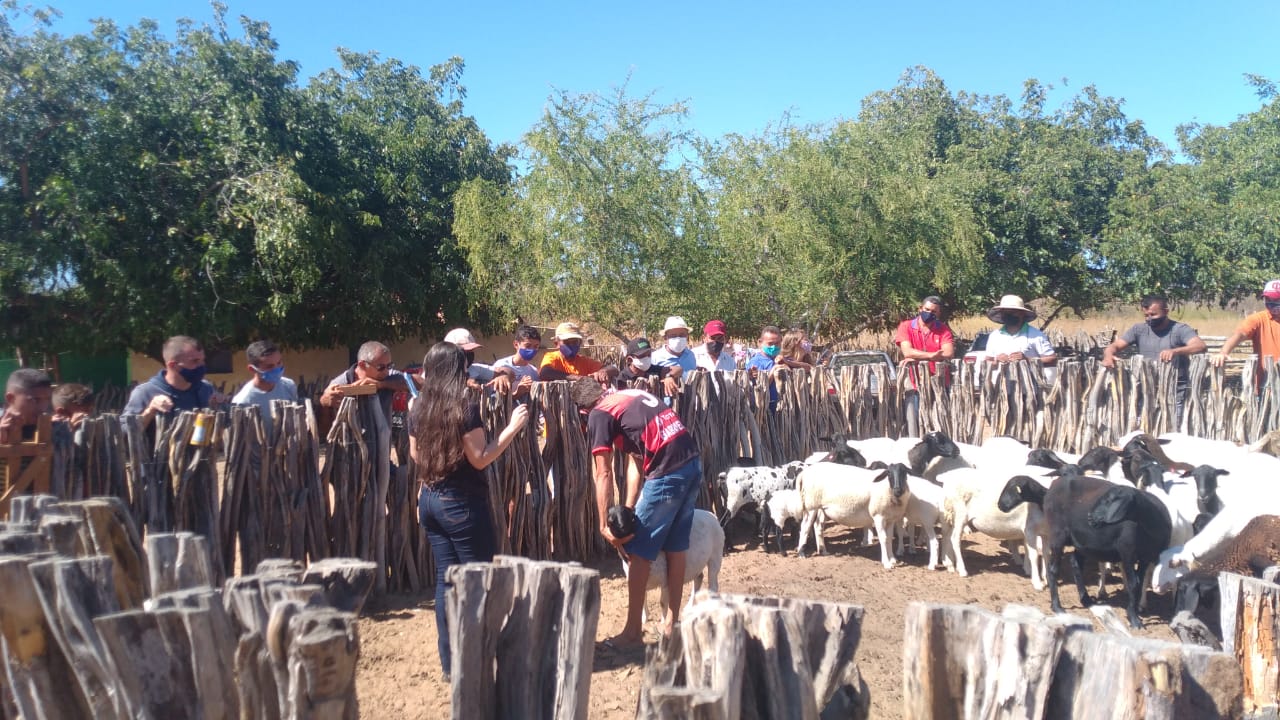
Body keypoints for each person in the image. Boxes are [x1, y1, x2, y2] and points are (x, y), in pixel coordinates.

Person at [410, 342, 530, 678]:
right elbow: (480, 458)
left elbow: (416, 456)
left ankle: (452, 663)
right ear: (456, 370)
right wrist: (512, 429)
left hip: (431, 499)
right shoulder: (462, 407)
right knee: (479, 582)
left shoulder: (418, 406)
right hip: (461, 503)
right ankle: (478, 659)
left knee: (446, 582)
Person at [572, 377, 701, 648]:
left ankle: (632, 632)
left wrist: (603, 521)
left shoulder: (599, 414)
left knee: (637, 551)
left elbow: (603, 472)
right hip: (691, 463)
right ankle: (671, 624)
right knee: (676, 546)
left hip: (666, 472)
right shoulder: (627, 398)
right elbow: (636, 459)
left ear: (583, 410)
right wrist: (630, 506)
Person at [1102, 295, 1207, 423]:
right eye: (1146, 315)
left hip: (1174, 390)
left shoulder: (1180, 329)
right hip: (1146, 390)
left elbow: (1200, 346)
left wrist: (1175, 351)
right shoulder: (1138, 329)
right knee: (1143, 426)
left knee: (1173, 427)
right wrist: (1108, 356)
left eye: (1153, 314)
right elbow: (1115, 346)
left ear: (1166, 312)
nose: (1149, 318)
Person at [122, 336, 227, 427]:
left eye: (202, 360)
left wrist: (219, 407)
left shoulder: (206, 388)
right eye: (195, 361)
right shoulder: (145, 392)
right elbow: (124, 432)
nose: (201, 365)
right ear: (173, 365)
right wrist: (150, 410)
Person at [893, 296, 955, 437]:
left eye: (934, 311)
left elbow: (949, 352)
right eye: (927, 309)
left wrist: (916, 357)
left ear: (938, 313)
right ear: (920, 309)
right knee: (914, 421)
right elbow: (906, 351)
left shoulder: (943, 329)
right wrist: (932, 356)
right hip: (915, 384)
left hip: (939, 383)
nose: (929, 313)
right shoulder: (906, 326)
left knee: (940, 420)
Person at [320, 340, 419, 423]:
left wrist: (382, 385)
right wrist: (324, 404)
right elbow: (323, 430)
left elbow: (422, 383)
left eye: (389, 366)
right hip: (351, 445)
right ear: (362, 365)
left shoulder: (388, 376)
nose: (386, 371)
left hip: (382, 446)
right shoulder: (341, 383)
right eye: (380, 367)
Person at [231, 339, 299, 434]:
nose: (277, 369)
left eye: (279, 363)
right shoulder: (243, 401)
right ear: (252, 369)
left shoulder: (288, 386)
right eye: (269, 366)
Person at [1212, 279, 1280, 373]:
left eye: (1276, 299)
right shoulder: (1258, 319)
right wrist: (1223, 353)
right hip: (1266, 380)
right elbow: (1239, 334)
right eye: (1268, 299)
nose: (1271, 303)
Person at [982, 295, 1057, 368]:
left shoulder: (1036, 335)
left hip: (1029, 379)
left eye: (1013, 312)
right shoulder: (995, 336)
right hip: (1002, 380)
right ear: (1001, 314)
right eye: (1005, 312)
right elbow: (987, 361)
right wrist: (996, 361)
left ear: (1022, 313)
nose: (1009, 315)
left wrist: (1027, 360)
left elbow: (1052, 359)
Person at [539, 322, 612, 384]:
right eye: (567, 342)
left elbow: (613, 368)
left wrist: (604, 371)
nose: (571, 345)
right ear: (556, 343)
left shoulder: (584, 361)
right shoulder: (552, 357)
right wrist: (578, 378)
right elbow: (545, 372)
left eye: (575, 342)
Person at [1, 368, 53, 444]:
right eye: (35, 400)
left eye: (47, 399)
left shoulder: (55, 429)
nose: (43, 407)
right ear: (11, 398)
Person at [615, 337, 681, 396]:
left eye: (649, 354)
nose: (647, 358)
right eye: (642, 355)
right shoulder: (623, 377)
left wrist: (669, 376)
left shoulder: (652, 369)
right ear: (630, 360)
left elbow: (679, 369)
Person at [491, 324, 542, 399]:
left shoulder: (533, 372)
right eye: (527, 346)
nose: (532, 350)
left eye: (536, 347)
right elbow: (494, 397)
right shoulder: (501, 366)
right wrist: (517, 393)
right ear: (516, 344)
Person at [746, 325, 783, 410]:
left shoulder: (780, 359)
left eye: (777, 343)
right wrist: (774, 369)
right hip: (764, 409)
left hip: (782, 409)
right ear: (760, 342)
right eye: (770, 344)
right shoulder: (756, 362)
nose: (774, 347)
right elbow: (760, 388)